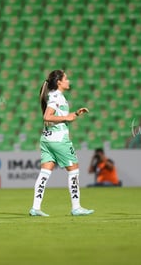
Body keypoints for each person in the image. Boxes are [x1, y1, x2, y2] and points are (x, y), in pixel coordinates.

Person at [29, 70, 93, 217]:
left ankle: (35, 208)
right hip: (59, 140)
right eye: (66, 78)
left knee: (44, 173)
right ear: (59, 82)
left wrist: (75, 114)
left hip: (46, 139)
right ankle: (76, 207)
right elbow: (47, 116)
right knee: (74, 171)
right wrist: (67, 117)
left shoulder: (54, 96)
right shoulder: (56, 97)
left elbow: (55, 117)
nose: (68, 81)